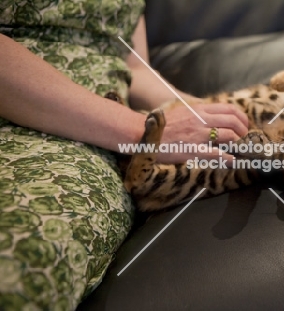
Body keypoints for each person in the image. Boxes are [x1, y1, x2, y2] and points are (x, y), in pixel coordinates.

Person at [0, 1, 248, 309]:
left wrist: (203, 113)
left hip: (109, 139)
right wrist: (141, 131)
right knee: (25, 256)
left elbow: (134, 68)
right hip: (24, 129)